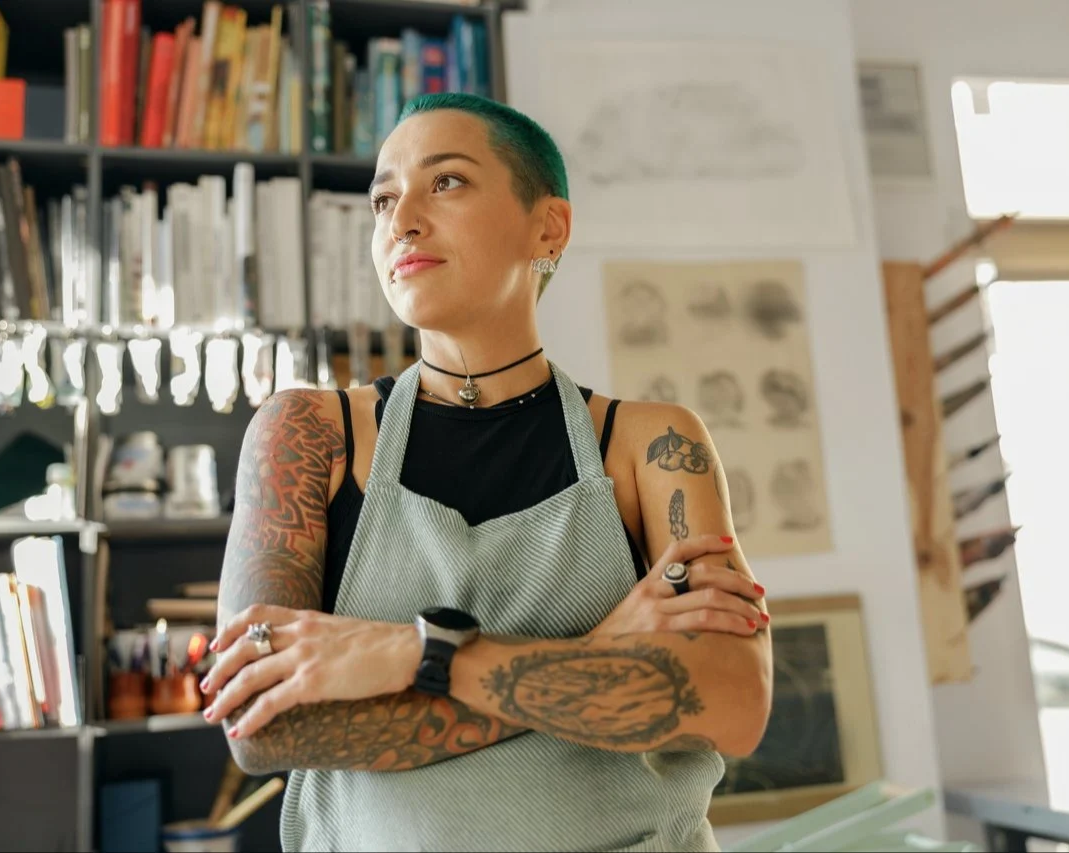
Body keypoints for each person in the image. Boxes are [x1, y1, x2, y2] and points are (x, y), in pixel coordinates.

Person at [200, 92, 773, 852]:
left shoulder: (651, 444)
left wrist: (413, 653)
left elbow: (732, 703)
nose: (400, 219)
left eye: (446, 182)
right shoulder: (308, 433)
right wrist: (600, 650)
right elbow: (263, 727)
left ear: (548, 226)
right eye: (382, 198)